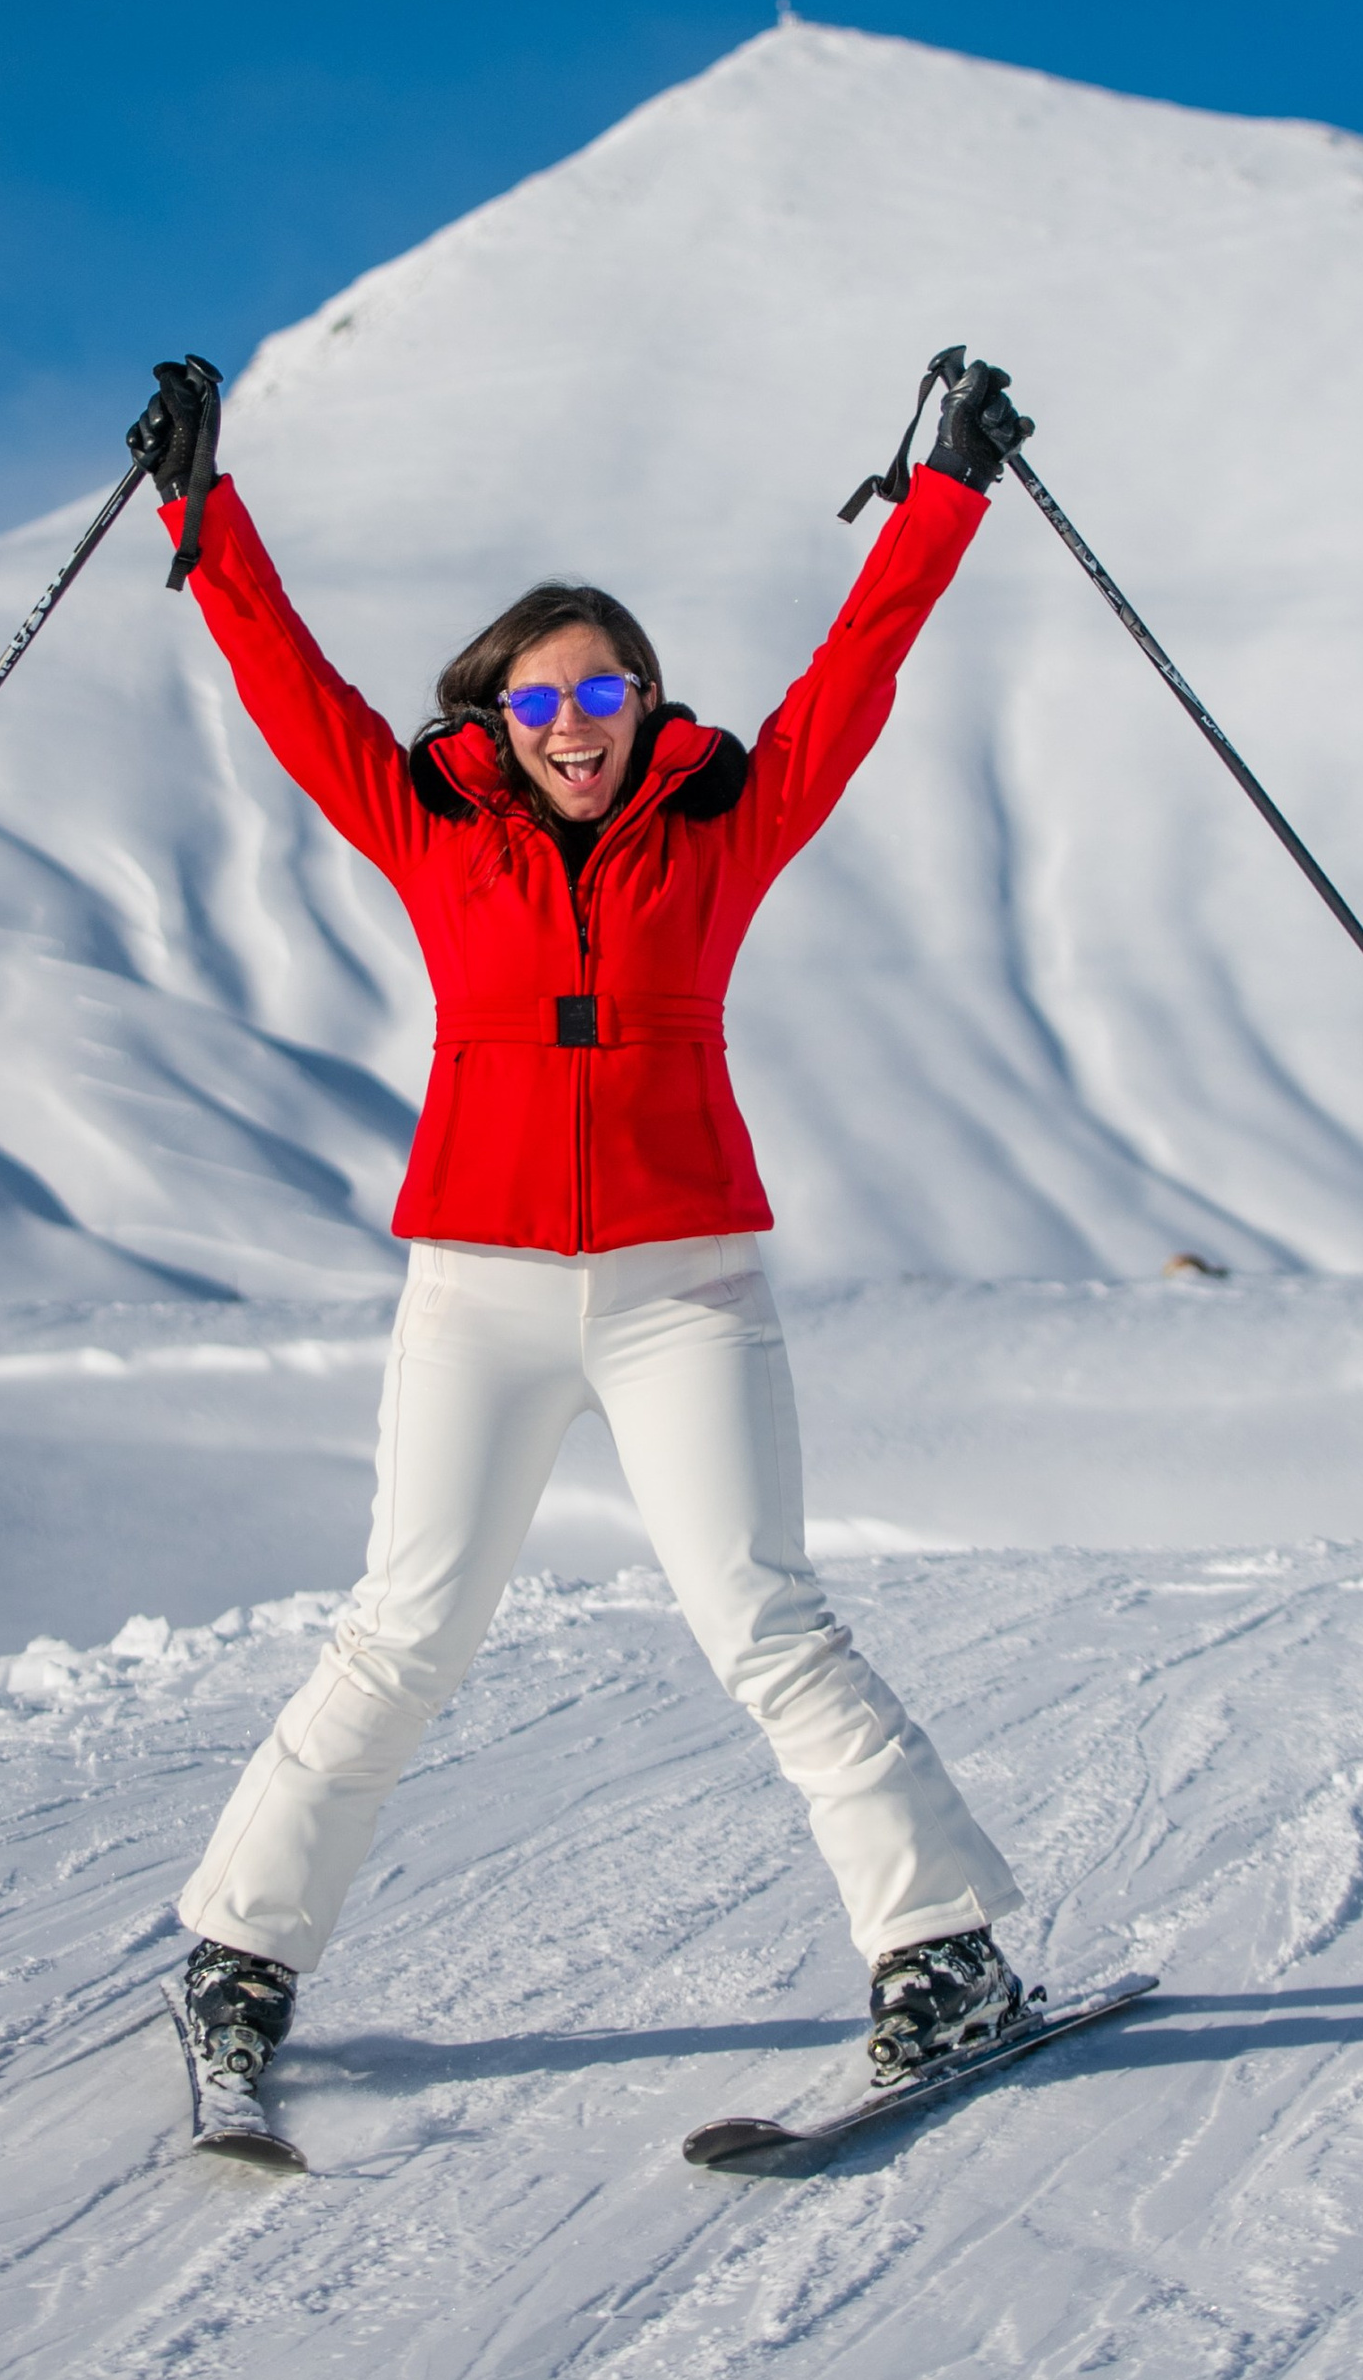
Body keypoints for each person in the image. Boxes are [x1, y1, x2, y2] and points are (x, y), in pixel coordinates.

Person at [135, 349, 1039, 2129]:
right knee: (403, 1624)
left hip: (681, 1283)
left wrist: (944, 492)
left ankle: (945, 1951)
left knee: (765, 1616)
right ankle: (236, 1958)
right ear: (492, 713)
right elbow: (292, 688)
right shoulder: (427, 825)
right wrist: (201, 508)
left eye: (606, 686)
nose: (577, 719)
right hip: (476, 1287)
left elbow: (852, 677)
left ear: (645, 701)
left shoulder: (723, 826)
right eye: (542, 694)